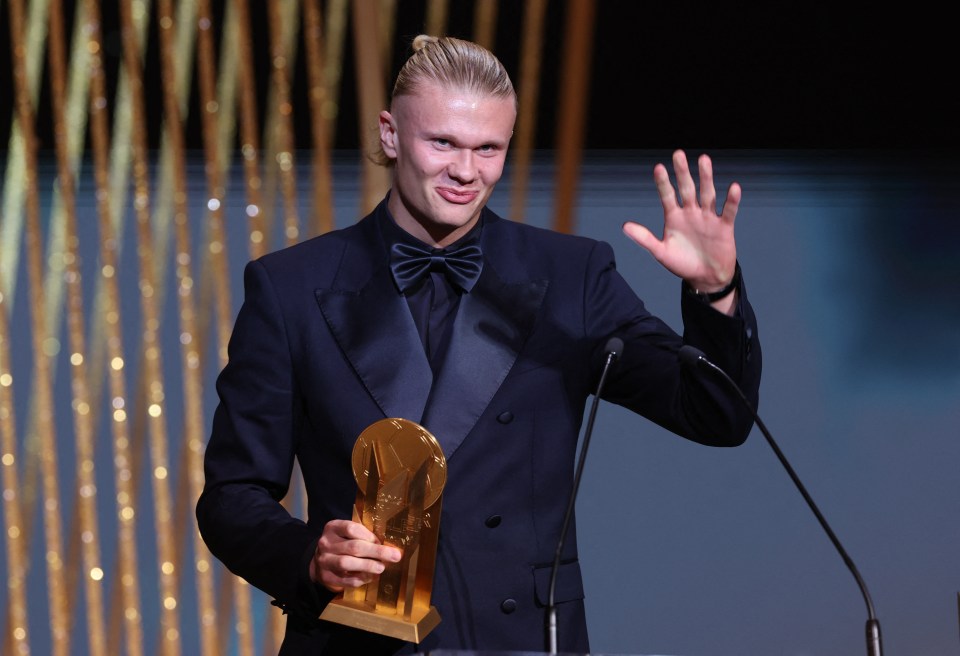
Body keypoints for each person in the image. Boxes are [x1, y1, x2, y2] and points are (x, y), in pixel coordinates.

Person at [196, 34, 761, 655]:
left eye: (487, 148)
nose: (466, 171)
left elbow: (716, 413)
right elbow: (232, 496)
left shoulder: (571, 276)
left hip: (520, 639)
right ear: (390, 135)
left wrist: (715, 293)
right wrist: (311, 557)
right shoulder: (291, 287)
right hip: (359, 641)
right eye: (442, 142)